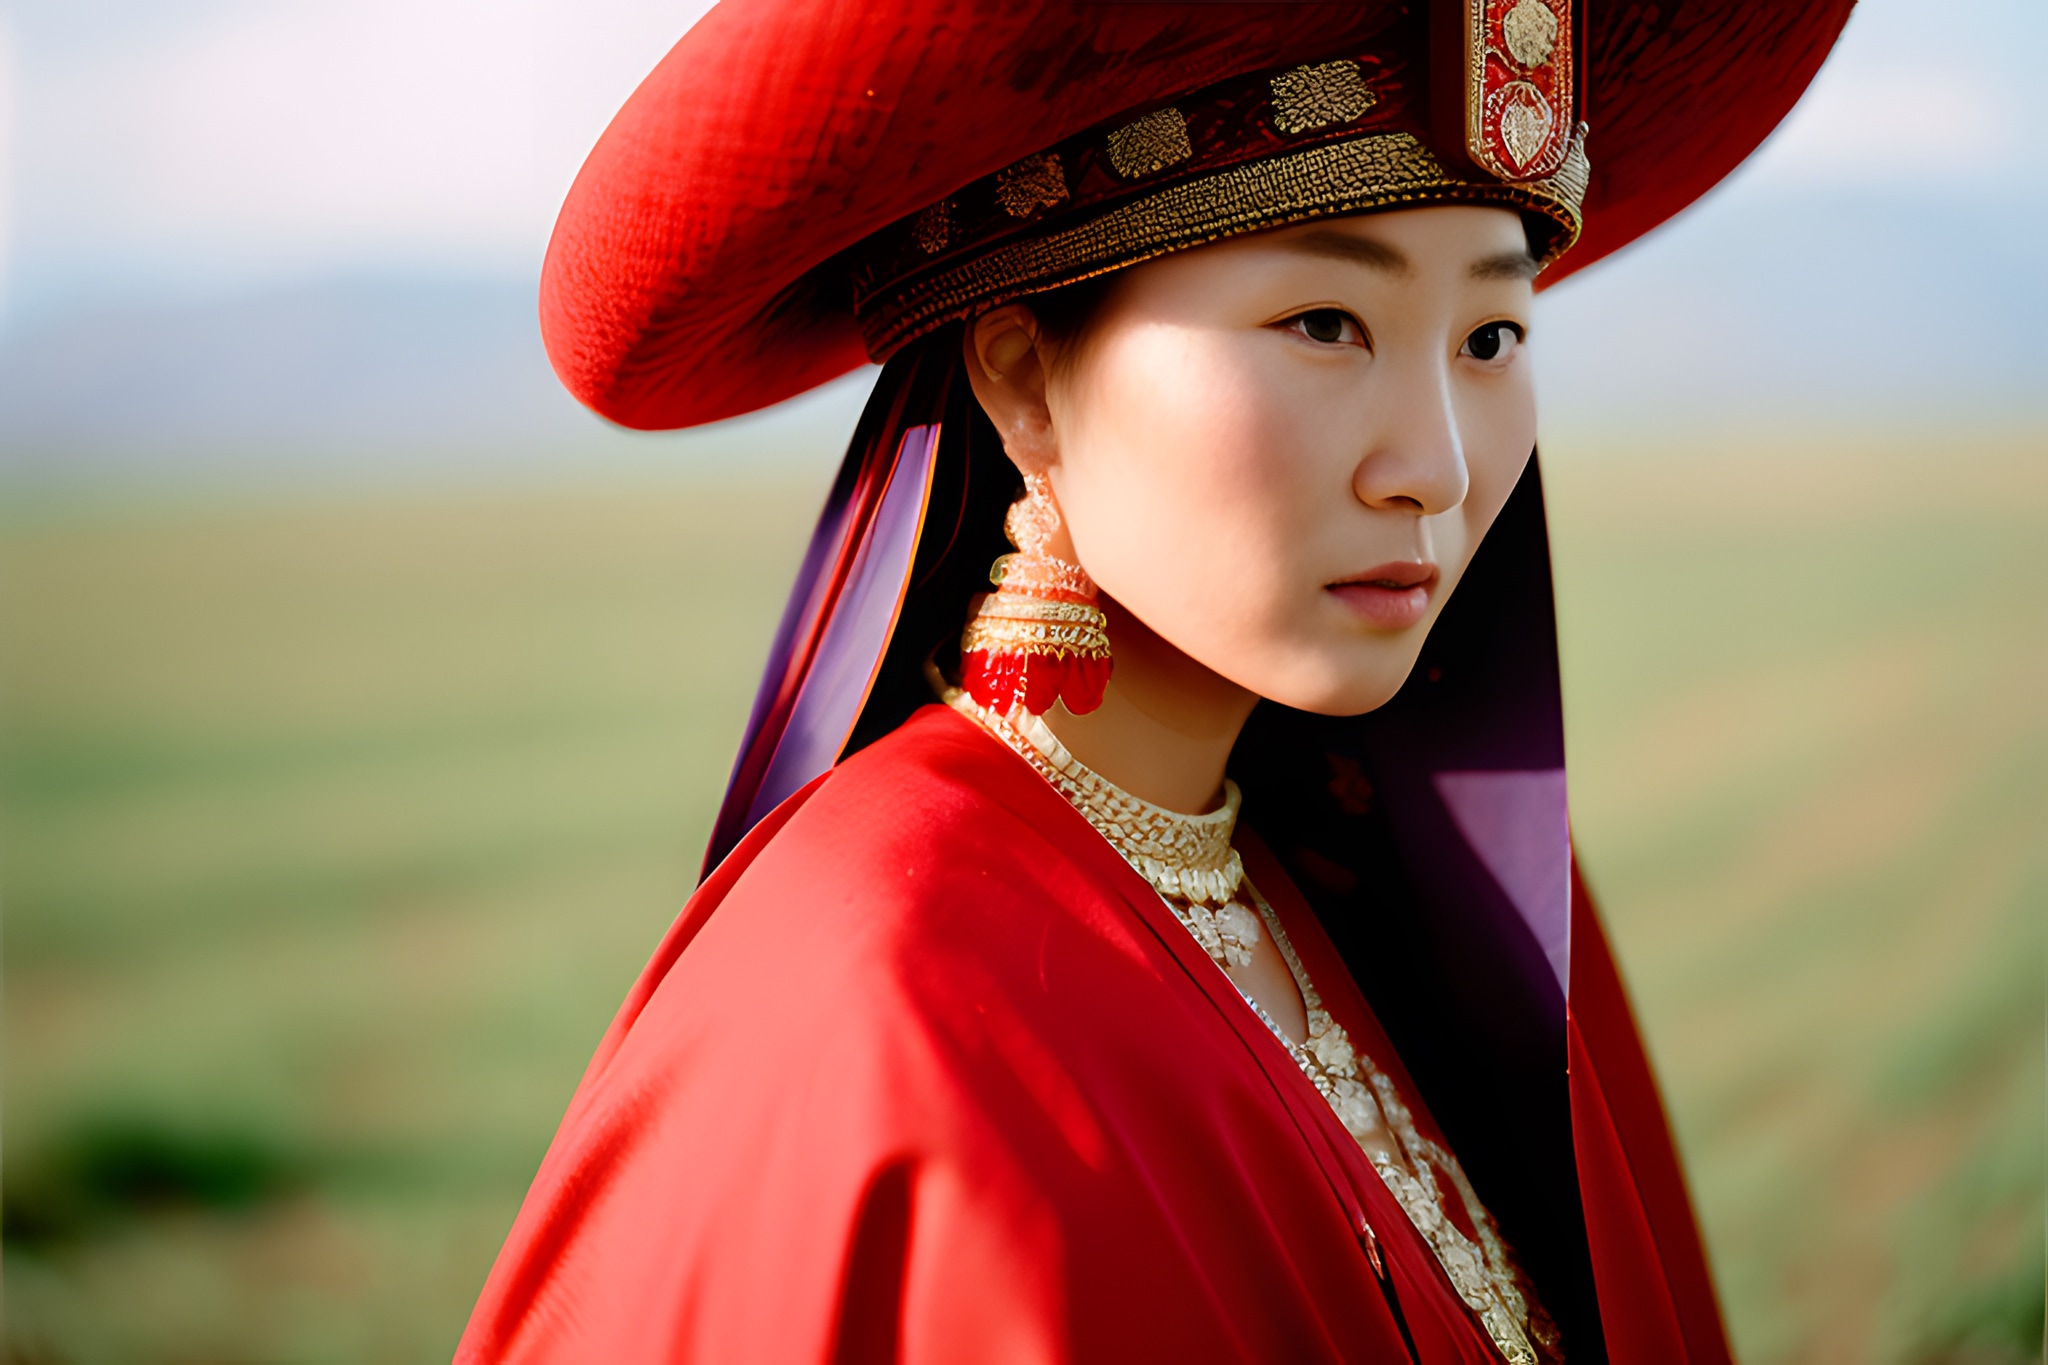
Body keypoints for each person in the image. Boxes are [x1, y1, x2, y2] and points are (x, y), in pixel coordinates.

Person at [458, 2, 1852, 1360]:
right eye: (1324, 321)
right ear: (1022, 379)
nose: (1433, 463)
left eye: (1490, 338)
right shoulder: (883, 998)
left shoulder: (1376, 886)